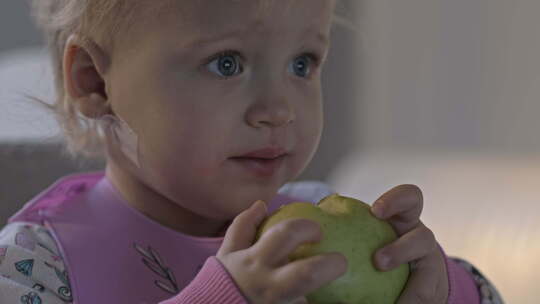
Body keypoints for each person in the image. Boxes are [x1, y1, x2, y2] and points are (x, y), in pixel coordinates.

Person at [0, 0, 505, 303]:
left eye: (303, 64)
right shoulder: (38, 262)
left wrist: (437, 288)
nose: (279, 109)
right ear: (94, 80)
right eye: (226, 63)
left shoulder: (313, 218)